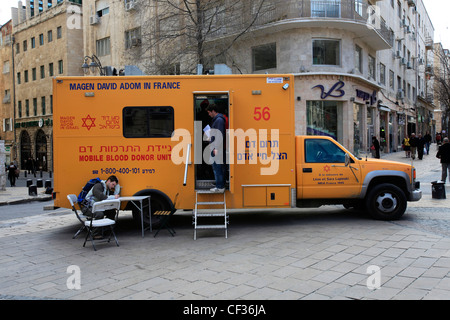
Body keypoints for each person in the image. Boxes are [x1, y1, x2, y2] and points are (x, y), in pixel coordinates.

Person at [206, 103, 226, 192]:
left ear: (213, 111)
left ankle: (220, 187)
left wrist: (216, 148)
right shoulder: (217, 120)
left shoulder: (219, 120)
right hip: (216, 146)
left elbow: (220, 135)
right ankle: (220, 184)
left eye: (209, 112)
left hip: (216, 147)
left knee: (217, 167)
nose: (209, 114)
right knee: (218, 167)